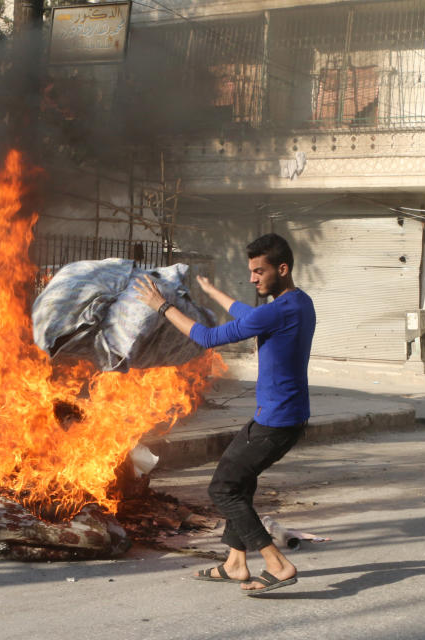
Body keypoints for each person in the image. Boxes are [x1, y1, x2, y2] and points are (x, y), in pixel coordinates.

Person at [133, 233, 316, 595]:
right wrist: (212, 292)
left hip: (275, 421)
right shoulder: (298, 303)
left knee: (223, 488)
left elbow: (207, 338)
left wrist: (162, 306)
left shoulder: (278, 310)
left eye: (259, 271)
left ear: (283, 268)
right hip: (284, 417)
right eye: (251, 271)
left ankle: (276, 563)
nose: (252, 279)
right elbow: (250, 316)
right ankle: (235, 563)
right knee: (239, 483)